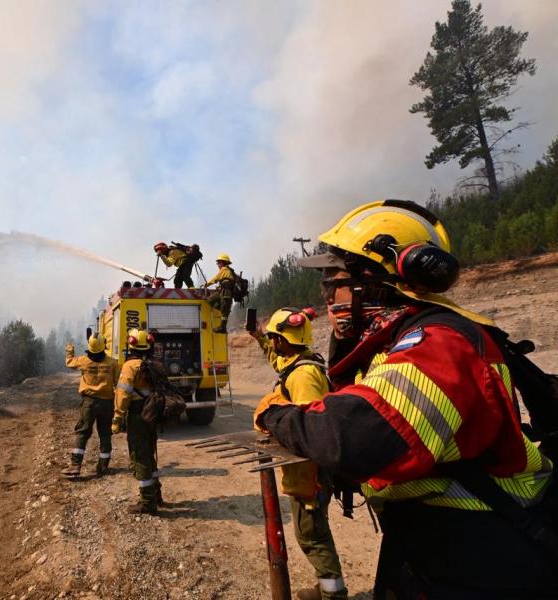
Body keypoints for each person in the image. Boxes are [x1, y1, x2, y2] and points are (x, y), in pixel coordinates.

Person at [255, 200, 557, 599]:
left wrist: (277, 416)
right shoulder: (397, 340)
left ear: (376, 279)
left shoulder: (440, 343)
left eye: (336, 279)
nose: (328, 293)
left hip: (484, 549)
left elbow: (357, 436)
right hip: (431, 537)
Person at [251, 308, 347, 600]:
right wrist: (258, 336)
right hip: (310, 469)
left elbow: (309, 428)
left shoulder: (304, 376)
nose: (272, 343)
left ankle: (333, 594)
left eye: (273, 338)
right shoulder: (298, 361)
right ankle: (325, 587)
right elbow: (277, 360)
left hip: (310, 472)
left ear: (283, 340)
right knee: (314, 529)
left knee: (311, 534)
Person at [112, 328, 162, 515]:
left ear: (131, 344)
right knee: (150, 453)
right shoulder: (153, 363)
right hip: (152, 413)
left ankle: (148, 503)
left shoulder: (130, 366)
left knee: (140, 457)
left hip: (137, 415)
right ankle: (156, 494)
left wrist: (117, 418)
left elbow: (123, 395)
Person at [61, 333, 119, 478]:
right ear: (103, 345)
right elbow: (119, 384)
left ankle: (75, 465)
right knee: (105, 433)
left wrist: (69, 351)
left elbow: (69, 363)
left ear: (90, 346)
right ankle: (103, 466)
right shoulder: (112, 363)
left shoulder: (83, 361)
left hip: (89, 402)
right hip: (107, 403)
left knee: (82, 432)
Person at [203, 253, 237, 333]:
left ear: (223, 262)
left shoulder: (224, 269)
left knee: (224, 312)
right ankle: (224, 310)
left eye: (218, 262)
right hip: (222, 292)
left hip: (226, 294)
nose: (217, 264)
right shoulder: (228, 271)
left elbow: (216, 278)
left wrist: (206, 284)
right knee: (210, 300)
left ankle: (222, 327)